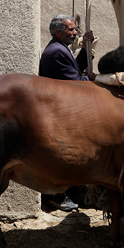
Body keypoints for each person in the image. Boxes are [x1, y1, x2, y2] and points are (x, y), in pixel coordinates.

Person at [38, 14, 95, 211]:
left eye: (75, 29)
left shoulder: (60, 49)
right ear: (58, 32)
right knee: (60, 156)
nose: (76, 32)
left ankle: (71, 191)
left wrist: (86, 50)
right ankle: (55, 197)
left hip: (61, 111)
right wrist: (94, 79)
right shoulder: (56, 52)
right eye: (71, 30)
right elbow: (75, 83)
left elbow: (74, 70)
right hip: (57, 114)